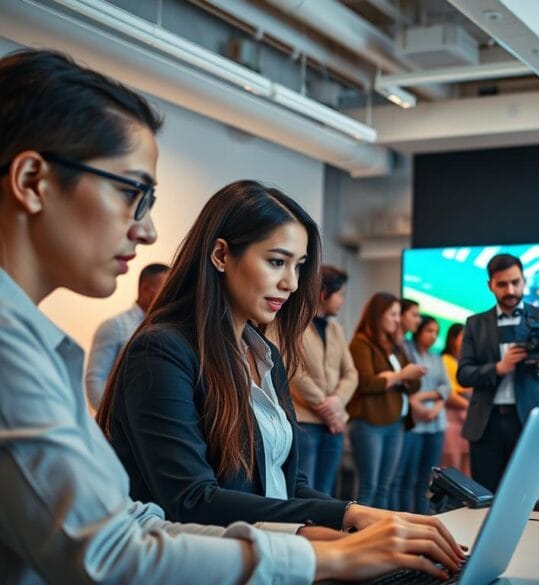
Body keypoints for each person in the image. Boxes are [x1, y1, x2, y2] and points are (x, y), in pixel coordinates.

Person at [0, 49, 461, 583]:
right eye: (132, 194)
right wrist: (329, 551)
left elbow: (142, 524)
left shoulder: (37, 344)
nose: (147, 231)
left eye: (298, 266)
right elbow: (122, 548)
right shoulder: (93, 351)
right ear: (33, 180)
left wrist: (345, 526)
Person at [456, 253, 539, 492]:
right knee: (485, 500)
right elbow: (463, 374)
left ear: (524, 281)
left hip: (532, 422)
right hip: (486, 426)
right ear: (490, 285)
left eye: (515, 282)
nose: (510, 289)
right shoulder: (475, 324)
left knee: (533, 499)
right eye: (502, 284)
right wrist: (498, 368)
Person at [284, 265, 358, 496]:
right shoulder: (293, 323)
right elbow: (292, 370)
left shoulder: (336, 328)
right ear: (323, 293)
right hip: (305, 422)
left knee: (325, 491)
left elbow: (351, 373)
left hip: (333, 424)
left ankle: (324, 532)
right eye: (340, 295)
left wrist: (336, 402)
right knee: (304, 491)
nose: (342, 301)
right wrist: (326, 407)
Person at [347, 293, 426, 509]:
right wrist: (399, 377)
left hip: (395, 424)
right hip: (369, 424)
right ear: (378, 315)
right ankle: (358, 537)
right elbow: (366, 383)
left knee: (385, 487)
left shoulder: (393, 345)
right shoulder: (360, 343)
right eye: (392, 314)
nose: (397, 319)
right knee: (369, 486)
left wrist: (392, 378)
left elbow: (416, 382)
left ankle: (378, 536)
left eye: (398, 314)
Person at [85, 262, 168, 410]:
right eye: (164, 290)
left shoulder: (165, 330)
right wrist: (115, 420)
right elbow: (94, 382)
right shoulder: (114, 326)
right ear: (145, 289)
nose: (169, 296)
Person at [394, 316, 451, 514]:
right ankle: (403, 517)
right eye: (429, 331)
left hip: (435, 423)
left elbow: (447, 387)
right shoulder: (407, 353)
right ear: (418, 331)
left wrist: (432, 404)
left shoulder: (437, 357)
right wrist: (416, 404)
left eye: (436, 332)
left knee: (425, 479)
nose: (433, 336)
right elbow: (405, 387)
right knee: (406, 477)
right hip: (414, 424)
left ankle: (421, 518)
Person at [390, 298, 423, 510]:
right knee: (390, 482)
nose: (418, 321)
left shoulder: (405, 346)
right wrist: (403, 375)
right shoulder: (392, 345)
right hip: (389, 419)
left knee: (404, 479)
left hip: (404, 419)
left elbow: (414, 383)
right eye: (414, 315)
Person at [441, 324, 472, 476]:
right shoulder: (445, 360)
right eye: (463, 338)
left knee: (467, 470)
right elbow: (450, 394)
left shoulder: (466, 363)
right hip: (452, 421)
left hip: (467, 422)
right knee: (452, 469)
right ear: (453, 339)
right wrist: (471, 404)